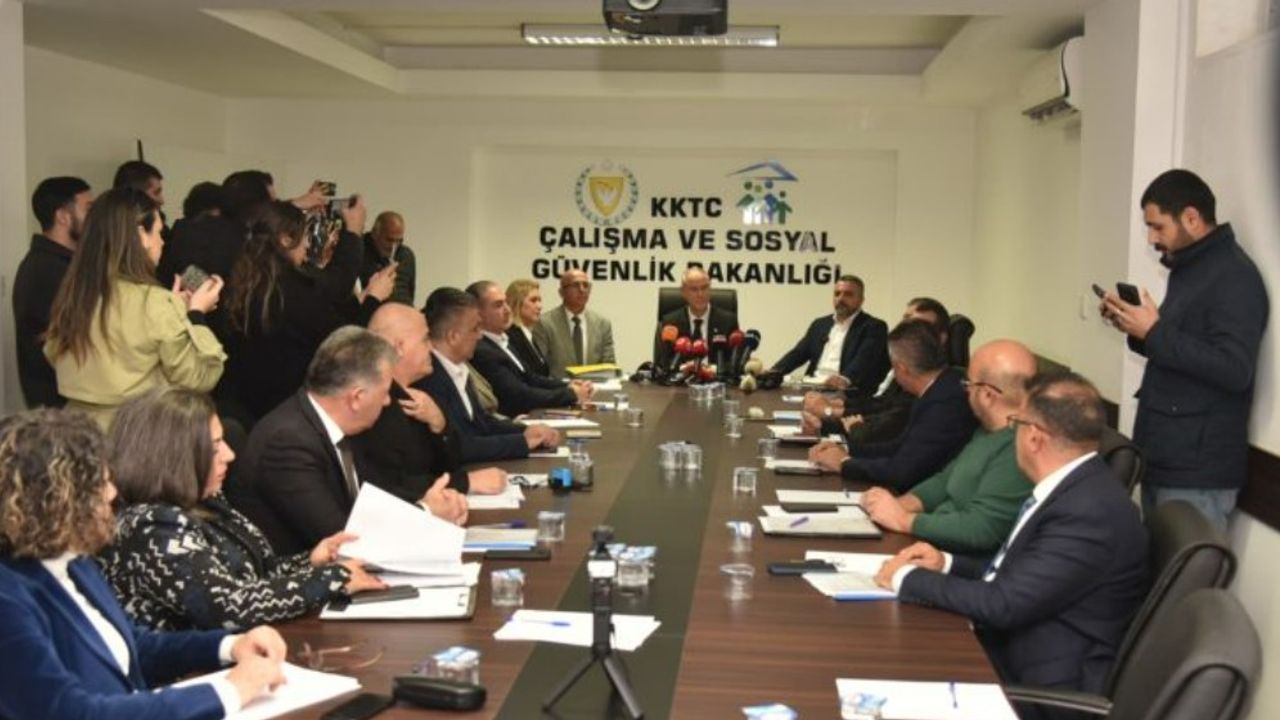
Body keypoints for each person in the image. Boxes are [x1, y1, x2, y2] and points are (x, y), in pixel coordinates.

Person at [874, 371, 1150, 697]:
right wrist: (946, 563)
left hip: (1035, 679)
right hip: (1014, 647)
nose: (1011, 432)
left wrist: (905, 577)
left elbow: (1003, 603)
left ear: (1034, 438)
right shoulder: (1076, 488)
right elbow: (1021, 574)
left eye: (1016, 422)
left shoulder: (1088, 513)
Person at [0, 408, 287, 719]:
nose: (112, 492)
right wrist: (229, 691)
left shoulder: (72, 560)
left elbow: (134, 646)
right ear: (55, 500)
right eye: (99, 483)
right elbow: (71, 713)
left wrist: (230, 646)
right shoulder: (8, 598)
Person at [99, 388, 385, 632]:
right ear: (175, 457)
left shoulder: (206, 500)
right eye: (215, 447)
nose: (230, 455)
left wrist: (311, 561)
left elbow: (254, 577)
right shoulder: (150, 526)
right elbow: (228, 607)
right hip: (193, 671)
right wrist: (333, 578)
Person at [1101, 169, 1269, 532]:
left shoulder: (1234, 276)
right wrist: (1136, 329)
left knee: (1186, 568)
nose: (1151, 238)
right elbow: (1180, 349)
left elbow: (1234, 368)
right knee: (1156, 564)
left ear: (1191, 218)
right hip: (1166, 457)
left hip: (1197, 472)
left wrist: (1154, 331)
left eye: (1157, 227)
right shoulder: (1191, 268)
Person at [225, 327, 466, 555]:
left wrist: (431, 503)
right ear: (356, 398)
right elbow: (340, 539)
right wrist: (425, 511)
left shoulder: (332, 425)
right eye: (384, 393)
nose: (387, 402)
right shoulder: (288, 443)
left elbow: (374, 501)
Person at [44, 188, 225, 430]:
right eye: (159, 232)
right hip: (136, 434)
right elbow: (199, 377)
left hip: (77, 429)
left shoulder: (74, 295)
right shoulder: (154, 303)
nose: (162, 242)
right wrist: (196, 315)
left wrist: (173, 310)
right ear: (141, 235)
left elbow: (55, 353)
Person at [853, 340, 1035, 553]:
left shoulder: (1019, 446)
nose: (966, 392)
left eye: (968, 384)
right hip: (932, 542)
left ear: (987, 395)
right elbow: (945, 480)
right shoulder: (988, 430)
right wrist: (901, 504)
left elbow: (980, 530)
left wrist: (904, 520)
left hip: (952, 558)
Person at [221, 198, 394, 421]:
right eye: (304, 238)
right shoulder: (291, 292)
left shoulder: (243, 282)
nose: (307, 246)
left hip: (248, 405)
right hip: (287, 409)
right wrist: (373, 299)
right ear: (285, 240)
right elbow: (344, 343)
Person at [358, 302, 508, 497]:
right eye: (425, 339)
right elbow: (388, 487)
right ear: (399, 347)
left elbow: (449, 464)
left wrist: (440, 425)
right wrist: (466, 483)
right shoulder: (375, 405)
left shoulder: (416, 394)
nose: (431, 346)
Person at [808, 320, 975, 493]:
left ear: (901, 369)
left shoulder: (945, 403)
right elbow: (898, 447)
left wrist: (844, 464)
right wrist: (846, 449)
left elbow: (902, 471)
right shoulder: (939, 386)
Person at [419, 288, 561, 463]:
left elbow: (481, 422)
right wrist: (521, 442)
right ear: (453, 337)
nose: (480, 336)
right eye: (475, 329)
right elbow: (458, 445)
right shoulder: (429, 378)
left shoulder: (458, 368)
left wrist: (525, 430)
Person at [804, 297, 952, 445]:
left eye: (920, 326)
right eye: (906, 320)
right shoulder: (907, 365)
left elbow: (889, 424)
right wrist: (831, 415)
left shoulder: (931, 382)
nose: (908, 329)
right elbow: (882, 403)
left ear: (941, 338)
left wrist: (832, 413)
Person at [13, 176, 93, 409]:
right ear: (63, 217)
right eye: (88, 209)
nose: (95, 219)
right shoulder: (47, 271)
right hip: (61, 408)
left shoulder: (62, 265)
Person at [468, 280, 591, 417]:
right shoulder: (483, 350)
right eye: (498, 305)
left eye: (506, 303)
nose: (507, 310)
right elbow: (518, 395)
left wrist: (566, 386)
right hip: (516, 418)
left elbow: (529, 377)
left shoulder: (503, 341)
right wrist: (570, 394)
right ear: (477, 313)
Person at [771, 275, 890, 395]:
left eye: (848, 294)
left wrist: (844, 379)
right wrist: (774, 372)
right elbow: (798, 353)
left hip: (846, 391)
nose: (841, 299)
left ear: (861, 300)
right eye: (837, 294)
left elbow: (864, 360)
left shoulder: (873, 327)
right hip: (813, 386)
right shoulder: (820, 324)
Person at [156, 181, 241, 289]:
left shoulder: (180, 229)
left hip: (180, 293)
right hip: (224, 292)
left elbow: (170, 268)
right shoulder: (233, 231)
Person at [534, 269, 617, 378]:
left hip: (594, 386)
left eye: (586, 285)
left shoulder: (602, 324)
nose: (582, 290)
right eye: (575, 285)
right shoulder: (545, 323)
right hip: (558, 387)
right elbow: (539, 367)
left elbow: (609, 366)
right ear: (561, 292)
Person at [653, 266, 738, 368]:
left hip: (716, 377)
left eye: (704, 288)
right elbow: (661, 364)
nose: (700, 294)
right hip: (680, 378)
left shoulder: (728, 322)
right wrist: (683, 368)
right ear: (683, 292)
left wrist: (713, 369)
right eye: (694, 289)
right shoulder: (670, 323)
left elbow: (734, 363)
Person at [359, 211, 416, 305]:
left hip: (402, 309)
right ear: (374, 234)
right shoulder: (358, 251)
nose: (394, 246)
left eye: (399, 241)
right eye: (389, 240)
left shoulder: (406, 255)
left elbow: (410, 291)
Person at [506, 279, 551, 377]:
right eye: (533, 300)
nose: (539, 306)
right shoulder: (511, 335)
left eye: (539, 300)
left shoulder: (527, 334)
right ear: (517, 302)